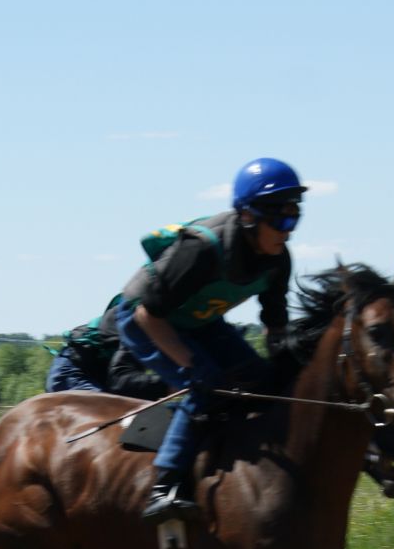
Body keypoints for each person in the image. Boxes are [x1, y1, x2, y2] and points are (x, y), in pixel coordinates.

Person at [117, 157, 303, 523]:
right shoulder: (201, 250)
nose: (289, 229)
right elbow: (148, 315)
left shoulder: (278, 260)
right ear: (248, 217)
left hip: (198, 322)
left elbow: (275, 324)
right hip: (145, 321)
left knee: (261, 381)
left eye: (295, 215)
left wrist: (284, 367)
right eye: (281, 219)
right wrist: (191, 367)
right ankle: (165, 484)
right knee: (205, 386)